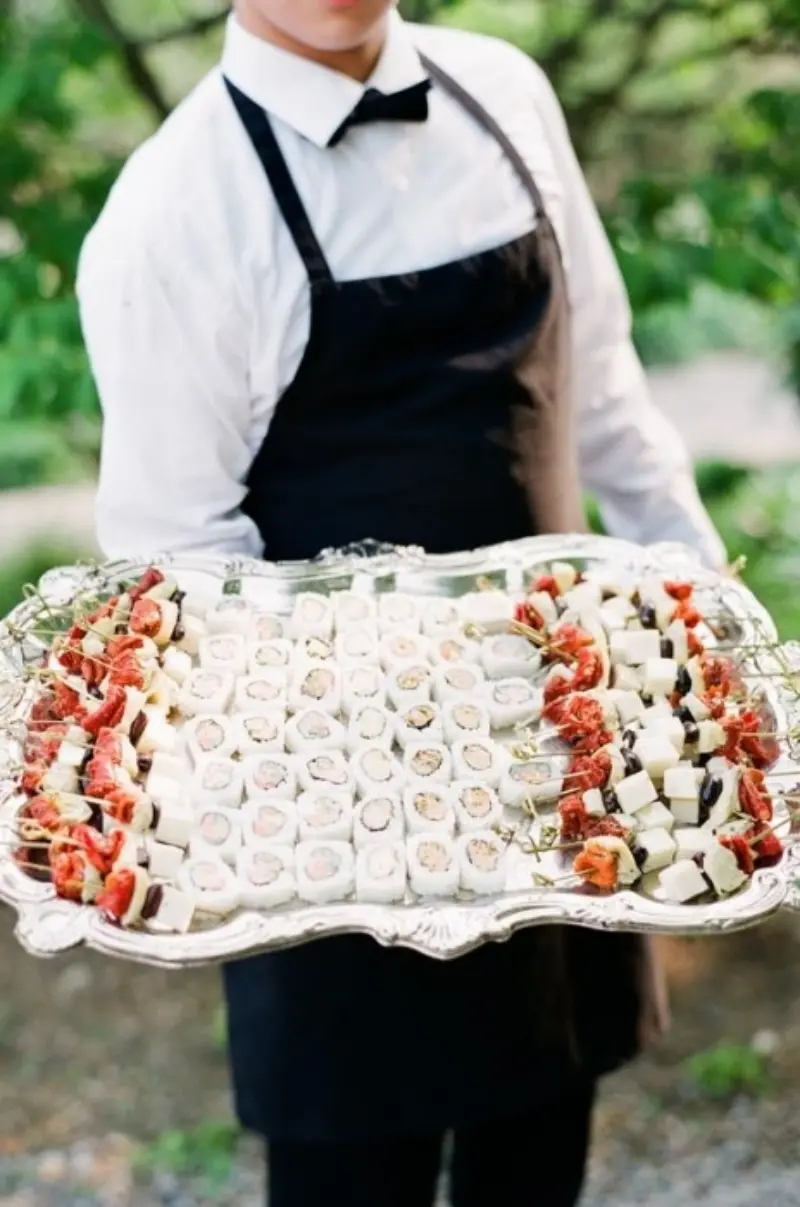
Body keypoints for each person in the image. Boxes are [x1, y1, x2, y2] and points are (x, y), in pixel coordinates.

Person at [77, 2, 726, 1204]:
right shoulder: (175, 209)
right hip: (337, 825)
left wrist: (701, 604)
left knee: (539, 1144)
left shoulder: (506, 90)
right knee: (352, 1165)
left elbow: (600, 390)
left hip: (559, 756)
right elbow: (175, 572)